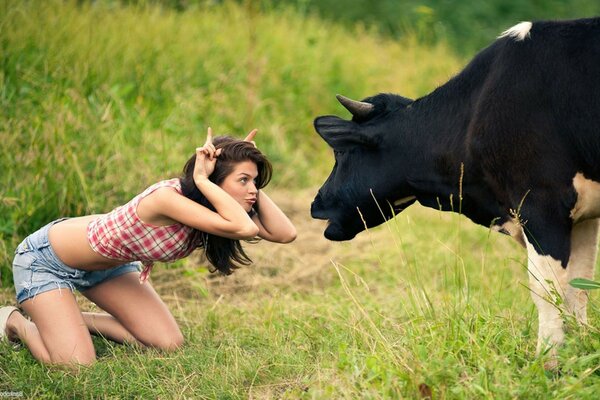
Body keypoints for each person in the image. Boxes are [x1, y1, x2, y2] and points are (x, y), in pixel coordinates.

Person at [0, 128, 296, 366]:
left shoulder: (219, 206)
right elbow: (245, 228)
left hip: (110, 268)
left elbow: (285, 233)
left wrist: (246, 173)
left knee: (169, 343)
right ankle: (16, 321)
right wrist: (204, 179)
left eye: (255, 181)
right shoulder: (168, 199)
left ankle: (71, 322)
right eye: (243, 180)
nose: (253, 189)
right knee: (76, 365)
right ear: (214, 182)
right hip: (46, 262)